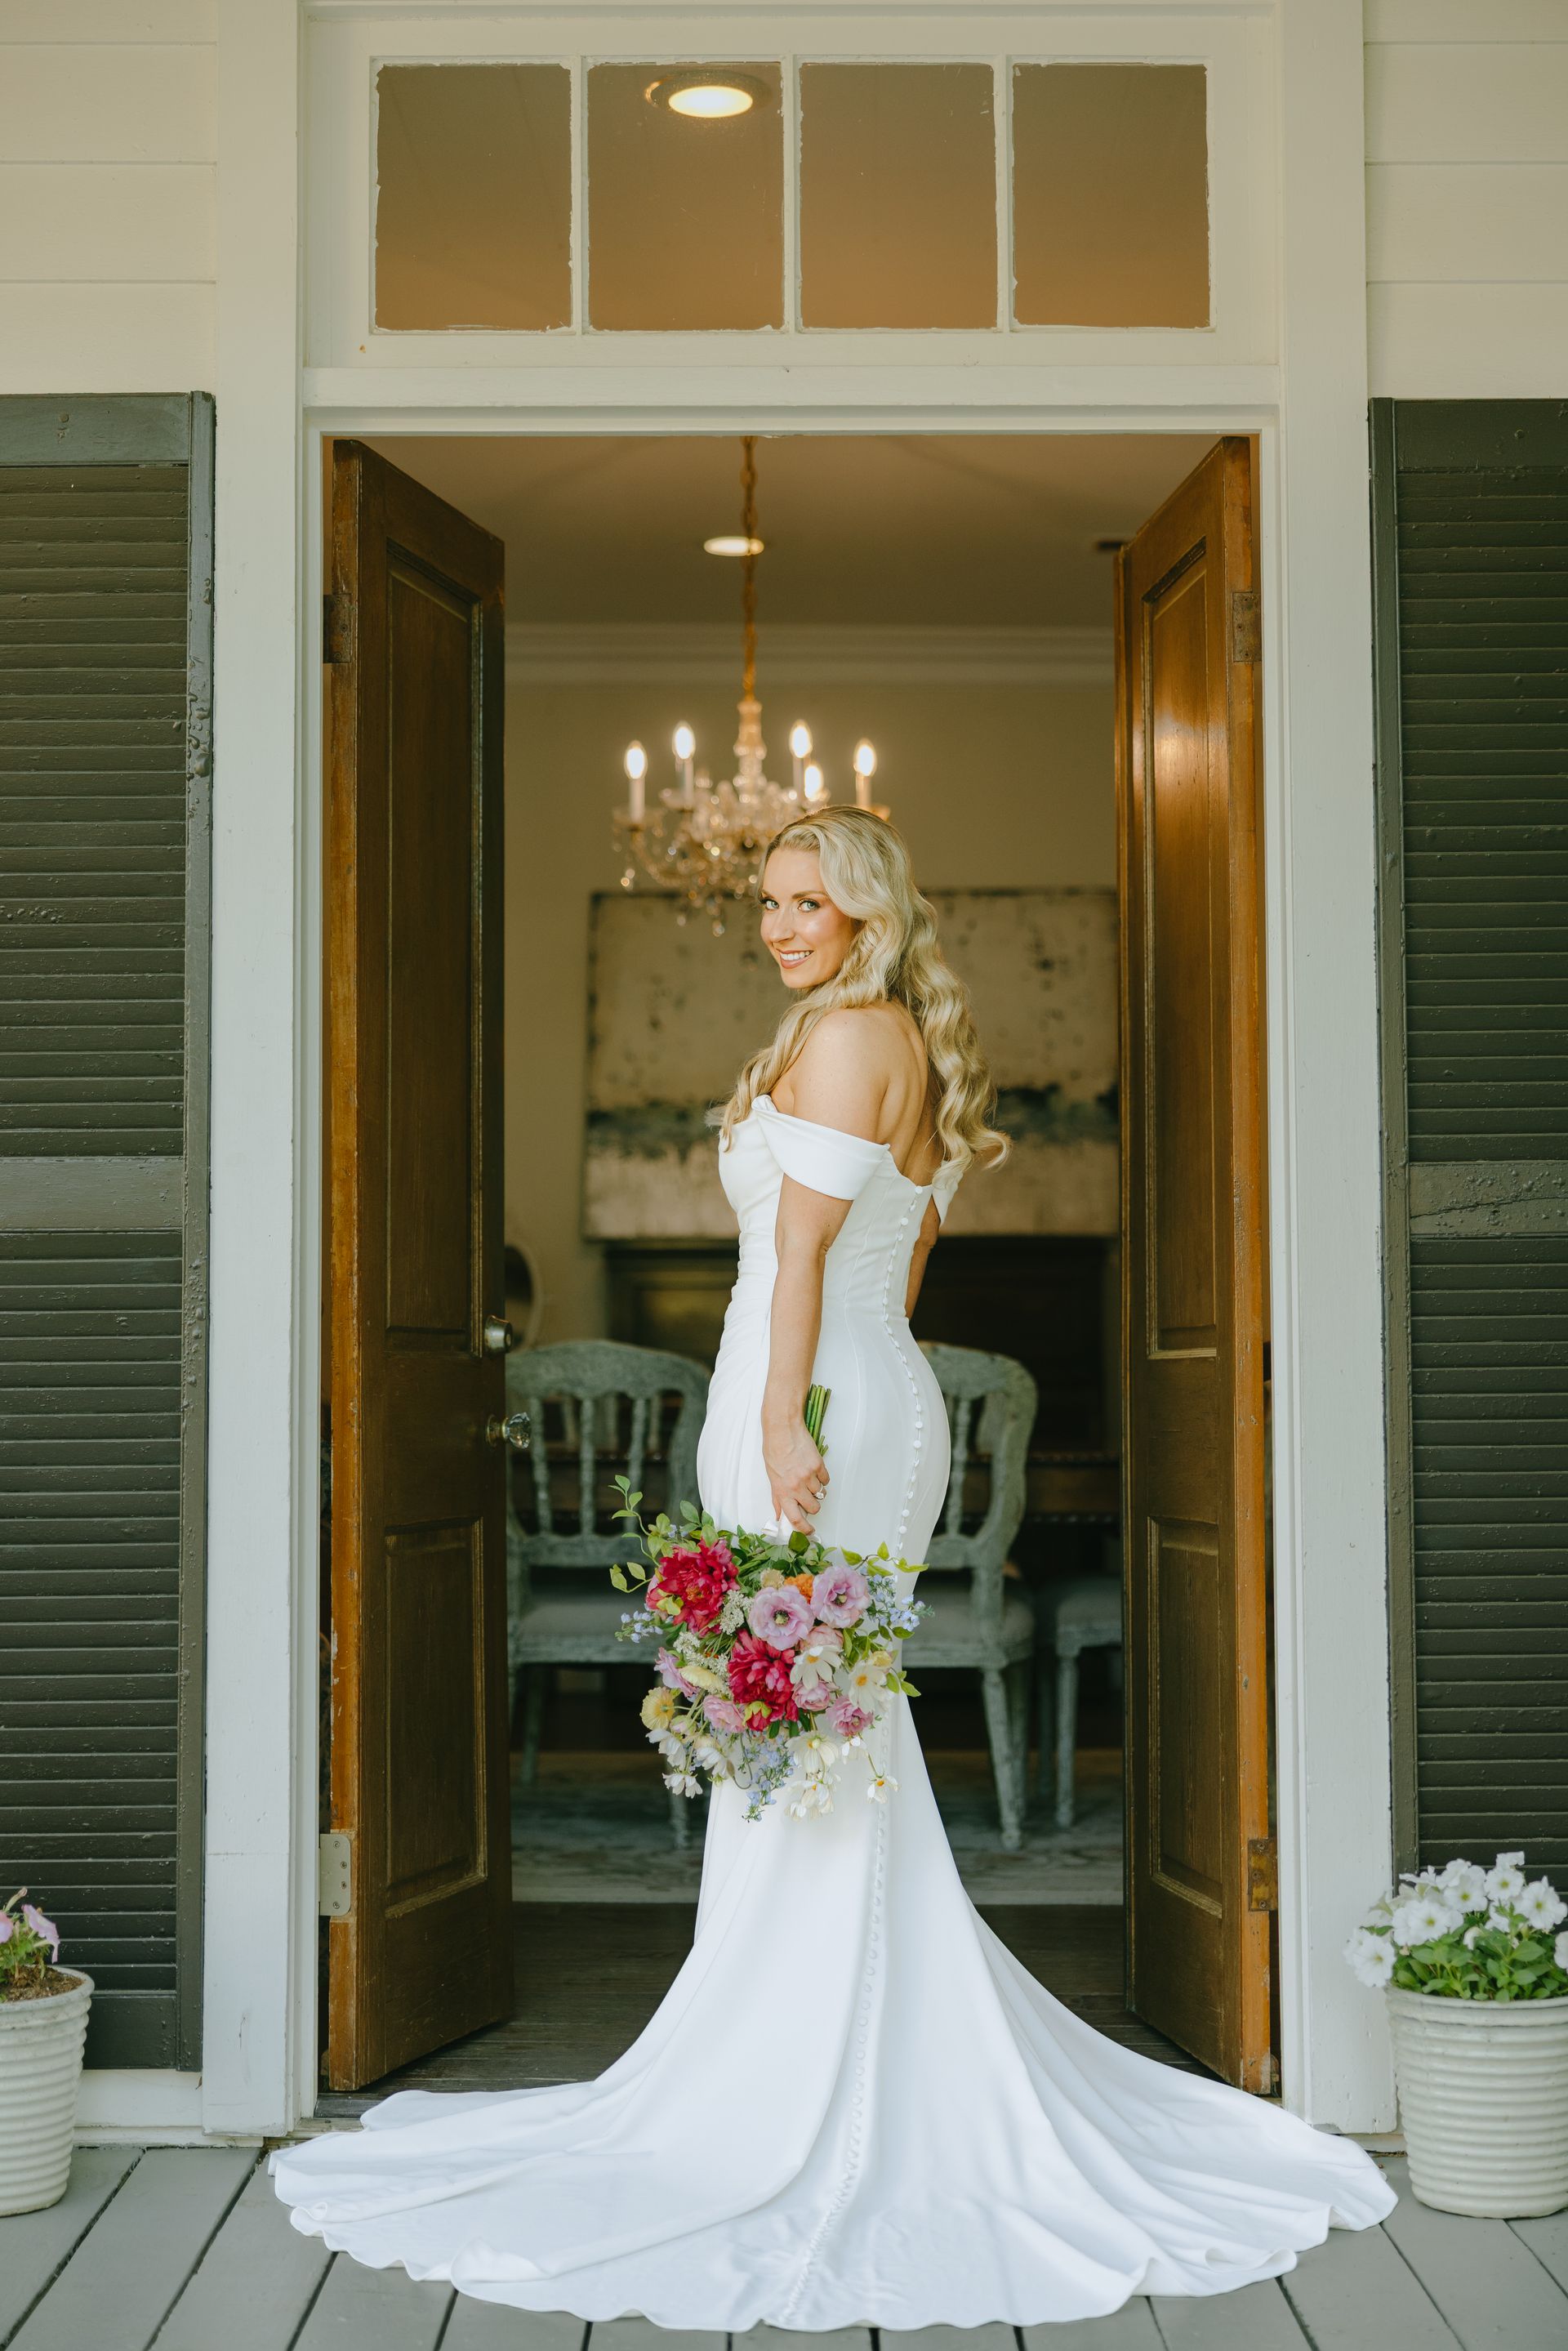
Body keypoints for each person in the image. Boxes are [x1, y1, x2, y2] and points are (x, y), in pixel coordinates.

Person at [271, 805, 1394, 2326]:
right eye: (768, 899)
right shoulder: (879, 1041)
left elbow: (798, 1262)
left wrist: (791, 1430)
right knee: (808, 1726)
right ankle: (790, 2036)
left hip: (815, 1405)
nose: (778, 923)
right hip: (860, 1390)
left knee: (797, 1716)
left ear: (866, 915)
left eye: (807, 901)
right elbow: (905, 1269)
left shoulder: (855, 1036)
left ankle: (791, 2070)